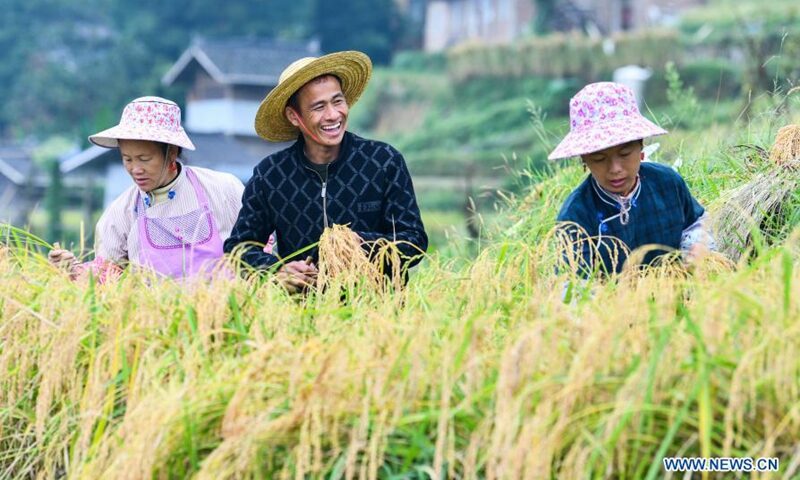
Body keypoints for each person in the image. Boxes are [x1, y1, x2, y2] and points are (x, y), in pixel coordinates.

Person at [224, 51, 428, 292]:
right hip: (303, 316)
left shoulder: (383, 161)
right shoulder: (271, 175)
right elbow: (239, 247)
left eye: (338, 101)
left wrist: (359, 244)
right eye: (319, 107)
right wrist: (277, 270)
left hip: (377, 315)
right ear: (294, 116)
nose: (333, 115)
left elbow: (414, 241)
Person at [49, 96, 247, 279]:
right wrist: (73, 270)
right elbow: (106, 275)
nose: (135, 169)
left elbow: (255, 249)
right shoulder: (121, 212)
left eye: (144, 159)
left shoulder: (222, 189)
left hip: (223, 312)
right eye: (127, 159)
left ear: (171, 152)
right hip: (153, 316)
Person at [549, 82, 715, 276]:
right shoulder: (576, 216)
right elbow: (576, 286)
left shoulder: (667, 183)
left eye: (625, 153)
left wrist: (696, 247)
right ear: (585, 160)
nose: (615, 169)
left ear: (641, 148)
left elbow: (696, 223)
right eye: (599, 159)